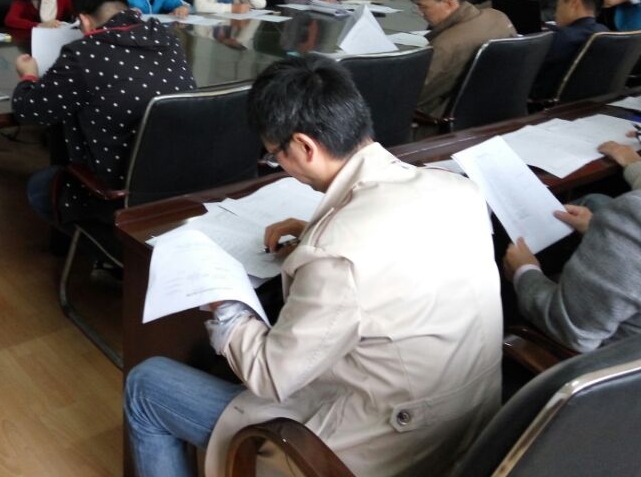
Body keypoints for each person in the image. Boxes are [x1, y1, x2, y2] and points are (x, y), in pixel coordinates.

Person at [125, 55, 502, 477]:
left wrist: (221, 300)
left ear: (305, 146)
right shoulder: (457, 190)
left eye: (275, 156)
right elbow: (405, 253)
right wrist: (314, 231)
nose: (281, 167)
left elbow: (270, 375)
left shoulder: (335, 256)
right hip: (469, 429)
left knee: (146, 385)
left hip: (377, 453)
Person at [11, 0, 195, 225]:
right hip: (184, 186)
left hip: (117, 199)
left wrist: (29, 76)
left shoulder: (84, 54)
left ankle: (91, 238)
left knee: (38, 187)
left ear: (85, 21)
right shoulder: (169, 40)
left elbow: (28, 111)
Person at [504, 189, 641, 353]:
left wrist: (523, 272)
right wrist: (606, 234)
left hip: (606, 356)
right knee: (595, 200)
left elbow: (571, 330)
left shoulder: (634, 211)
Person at [408, 0, 517, 117]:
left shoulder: (445, 46)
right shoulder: (500, 18)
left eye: (423, 6)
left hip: (440, 122)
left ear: (448, 2)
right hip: (497, 114)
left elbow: (412, 97)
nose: (420, 13)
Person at [530, 0, 607, 99]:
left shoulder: (561, 38)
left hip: (542, 103)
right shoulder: (605, 33)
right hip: (586, 103)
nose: (555, 14)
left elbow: (529, 72)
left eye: (558, 6)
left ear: (573, 1)